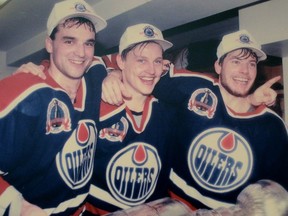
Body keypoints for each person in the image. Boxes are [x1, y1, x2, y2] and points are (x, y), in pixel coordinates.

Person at [101, 29, 288, 211]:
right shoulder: (195, 87)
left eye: (252, 64)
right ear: (218, 66)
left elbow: (277, 190)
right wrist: (113, 74)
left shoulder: (272, 126)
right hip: (171, 207)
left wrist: (250, 102)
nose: (244, 71)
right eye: (236, 61)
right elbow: (145, 70)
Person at [0, 0, 108, 215]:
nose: (81, 53)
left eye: (88, 43)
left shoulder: (95, 79)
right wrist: (16, 205)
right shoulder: (22, 89)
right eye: (69, 41)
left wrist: (113, 74)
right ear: (49, 44)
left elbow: (122, 62)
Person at [82, 23, 177, 215]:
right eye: (141, 60)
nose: (151, 70)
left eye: (157, 61)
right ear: (121, 62)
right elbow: (66, 66)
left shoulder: (167, 112)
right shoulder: (95, 104)